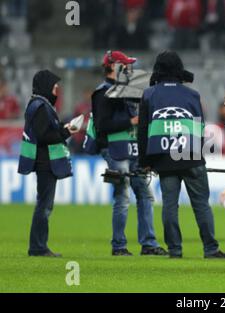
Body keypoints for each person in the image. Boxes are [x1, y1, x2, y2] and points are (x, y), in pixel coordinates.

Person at [138, 50, 225, 259]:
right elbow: (200, 127)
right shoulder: (192, 95)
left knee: (169, 206)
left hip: (163, 157)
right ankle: (211, 249)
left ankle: (175, 250)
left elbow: (142, 132)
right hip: (191, 156)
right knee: (201, 205)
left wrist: (144, 162)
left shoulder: (149, 94)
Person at [88, 50, 166, 257]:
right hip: (115, 151)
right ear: (114, 66)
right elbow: (102, 126)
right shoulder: (102, 92)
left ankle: (148, 244)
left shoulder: (128, 89)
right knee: (123, 197)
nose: (130, 69)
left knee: (145, 195)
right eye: (126, 65)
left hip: (132, 149)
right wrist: (130, 122)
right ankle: (119, 246)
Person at [18, 70, 79, 257]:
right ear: (46, 87)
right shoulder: (41, 106)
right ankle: (38, 247)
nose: (56, 91)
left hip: (42, 160)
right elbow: (45, 135)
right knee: (44, 206)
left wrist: (63, 129)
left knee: (43, 205)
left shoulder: (37, 105)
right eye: (54, 87)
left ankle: (38, 246)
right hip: (45, 161)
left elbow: (44, 131)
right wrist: (67, 132)